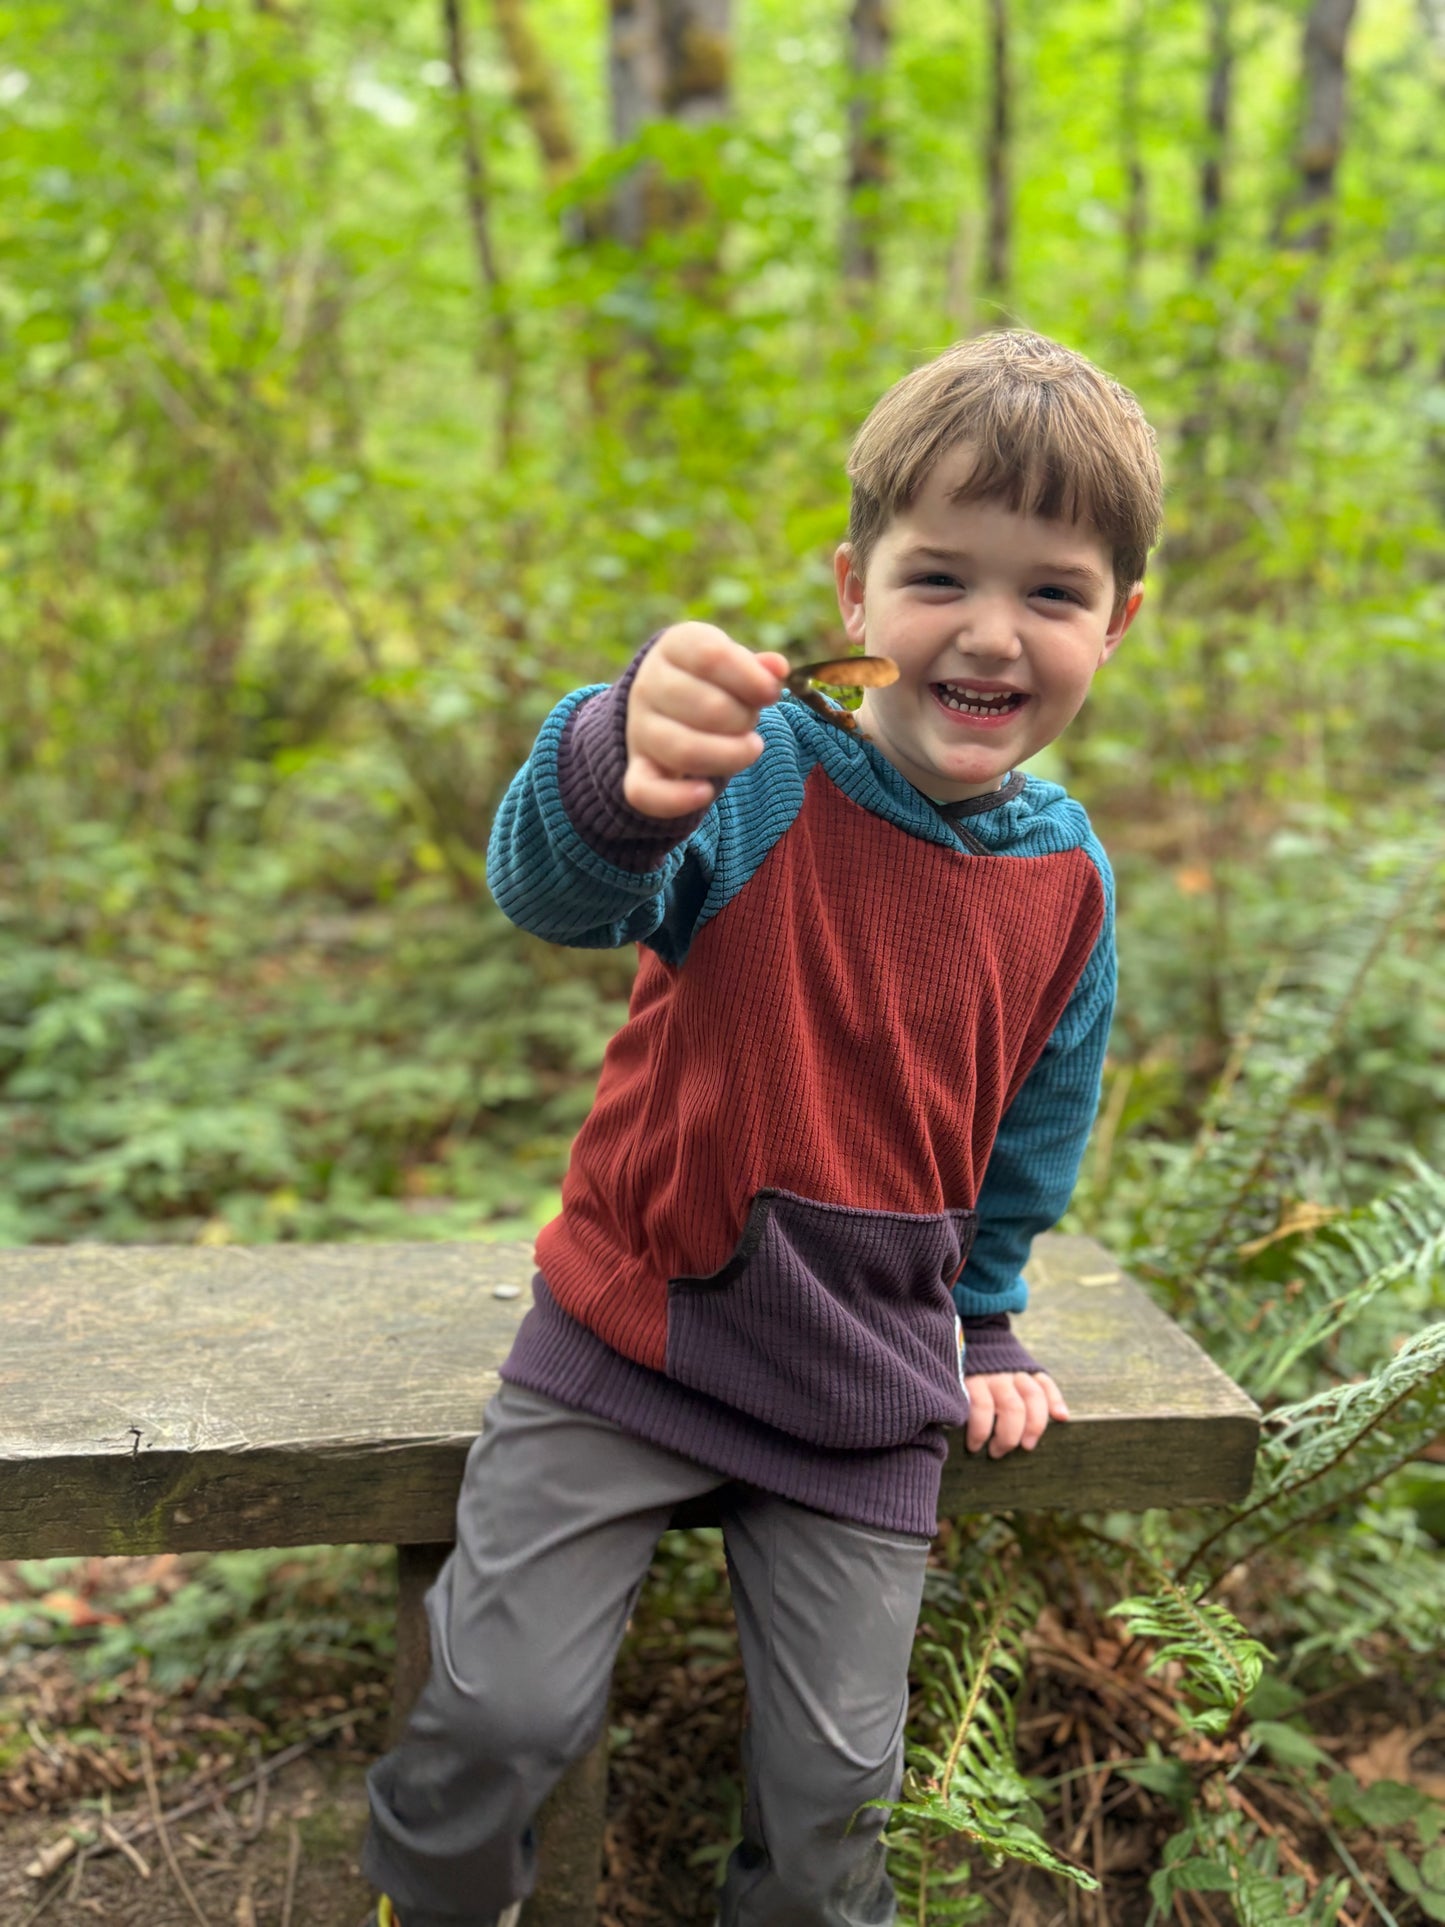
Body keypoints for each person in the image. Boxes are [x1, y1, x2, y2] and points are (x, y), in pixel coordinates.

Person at [362, 329, 1163, 1927]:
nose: (987, 631)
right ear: (853, 589)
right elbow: (556, 887)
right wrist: (622, 757)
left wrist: (987, 1323)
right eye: (937, 577)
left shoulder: (1064, 884)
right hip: (635, 1335)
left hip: (863, 1387)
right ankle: (431, 1900)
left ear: (1117, 623)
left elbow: (1029, 1132)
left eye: (1050, 594)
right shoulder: (761, 770)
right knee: (496, 1714)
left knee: (834, 1803)